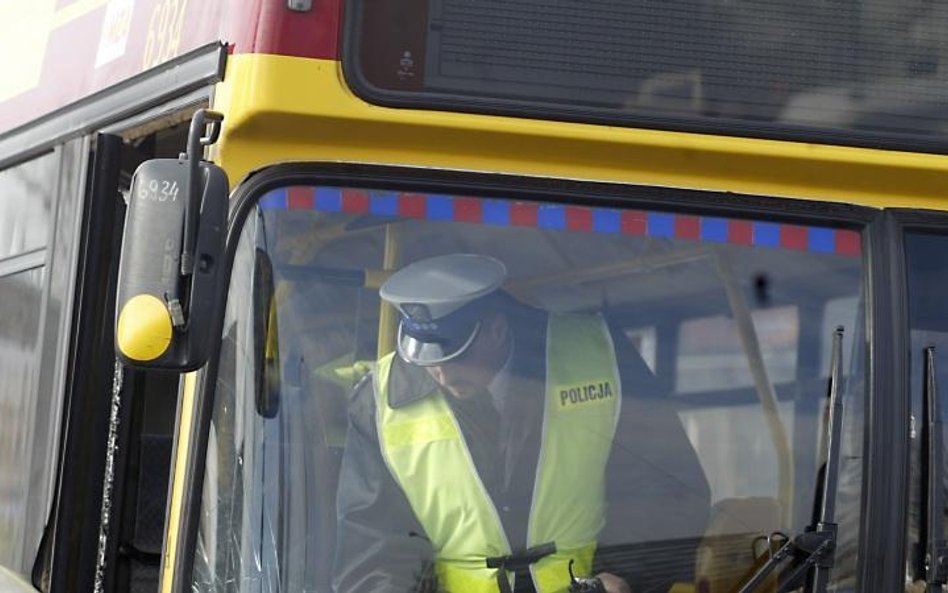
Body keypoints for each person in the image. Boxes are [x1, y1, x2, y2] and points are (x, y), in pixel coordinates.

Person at [333, 253, 711, 593]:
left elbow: (669, 489)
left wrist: (624, 575)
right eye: (429, 363)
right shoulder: (378, 403)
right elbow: (372, 544)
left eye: (456, 358)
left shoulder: (600, 357)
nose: (442, 376)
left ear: (497, 330)